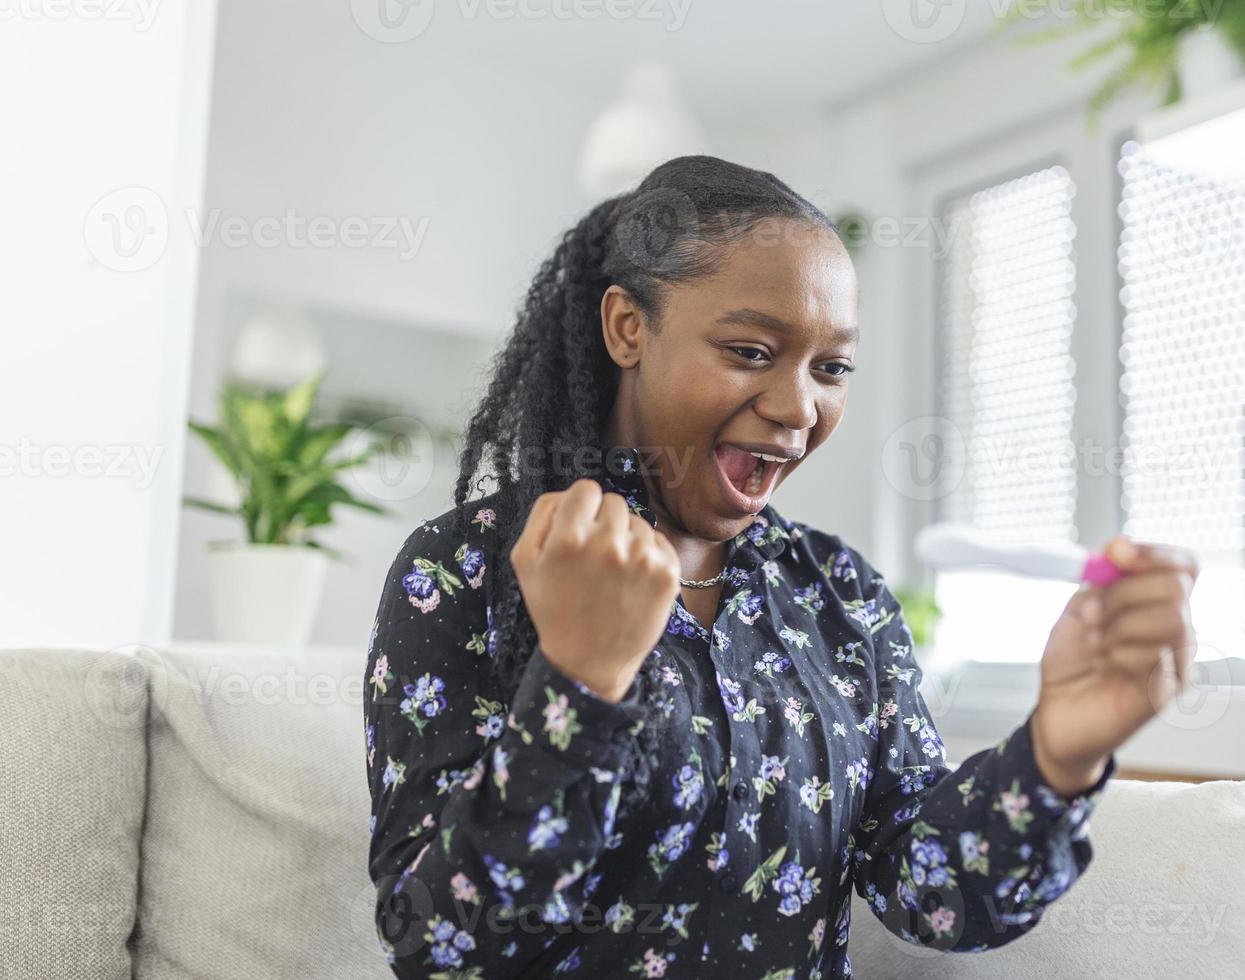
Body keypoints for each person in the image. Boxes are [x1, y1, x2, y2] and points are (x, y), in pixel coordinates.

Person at [362, 155, 1198, 978]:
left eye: (831, 367)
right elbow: (440, 950)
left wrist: (1058, 755)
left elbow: (930, 896)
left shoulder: (845, 600)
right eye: (752, 350)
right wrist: (579, 683)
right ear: (628, 327)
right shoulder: (466, 570)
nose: (800, 408)